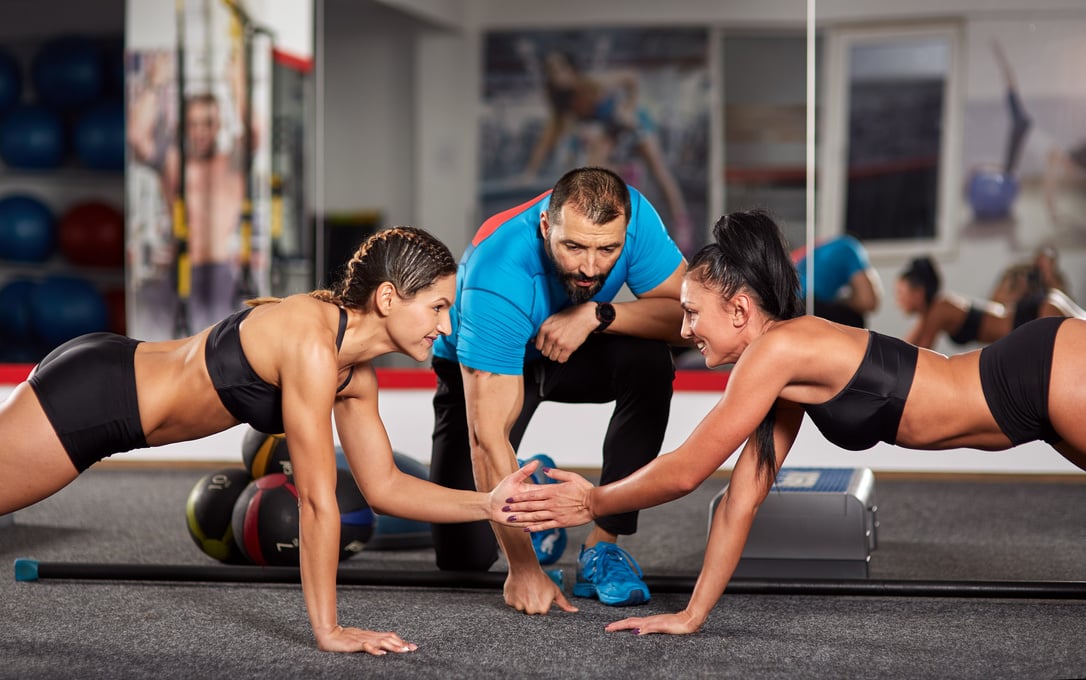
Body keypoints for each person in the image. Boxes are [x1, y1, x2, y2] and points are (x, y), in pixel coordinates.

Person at [503, 208, 1086, 637]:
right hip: (1032, 403)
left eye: (690, 312)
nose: (683, 331)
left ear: (739, 309)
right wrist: (692, 614)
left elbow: (685, 470)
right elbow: (740, 498)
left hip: (1043, 373)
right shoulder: (786, 368)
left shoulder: (780, 350)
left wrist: (595, 502)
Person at [0, 226, 534, 655]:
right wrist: (329, 629)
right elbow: (319, 503)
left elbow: (385, 486)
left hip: (109, 390)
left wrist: (488, 503)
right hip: (93, 398)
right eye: (437, 308)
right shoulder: (313, 346)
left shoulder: (355, 373)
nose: (445, 327)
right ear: (389, 298)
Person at [430, 166, 687, 613]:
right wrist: (524, 567)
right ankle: (538, 486)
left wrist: (598, 314)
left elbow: (690, 320)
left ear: (625, 230)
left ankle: (603, 546)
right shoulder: (498, 274)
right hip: (486, 363)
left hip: (568, 346)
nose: (590, 267)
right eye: (573, 247)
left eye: (607, 249)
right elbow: (485, 439)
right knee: (463, 559)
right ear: (547, 225)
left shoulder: (636, 217)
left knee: (648, 363)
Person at [127, 47, 252, 334]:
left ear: (219, 124)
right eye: (194, 123)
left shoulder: (231, 163)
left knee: (222, 362)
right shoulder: (173, 163)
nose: (201, 131)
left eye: (207, 123)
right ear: (184, 125)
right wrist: (155, 83)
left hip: (221, 275)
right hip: (178, 273)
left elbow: (255, 132)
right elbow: (136, 135)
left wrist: (237, 86)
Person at [519, 50, 695, 253]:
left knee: (658, 169)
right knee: (594, 169)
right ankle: (617, 190)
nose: (556, 75)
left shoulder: (591, 82)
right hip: (609, 134)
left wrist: (629, 107)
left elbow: (631, 78)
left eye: (560, 68)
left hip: (630, 122)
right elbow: (546, 140)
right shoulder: (562, 105)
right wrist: (529, 173)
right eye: (550, 71)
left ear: (571, 69)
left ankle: (682, 223)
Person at [897, 254, 1082, 350]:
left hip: (1029, 315)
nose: (898, 300)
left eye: (900, 292)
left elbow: (912, 357)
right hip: (1032, 315)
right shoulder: (934, 312)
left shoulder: (940, 307)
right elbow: (901, 350)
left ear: (919, 292)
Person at [792, 235, 882, 328]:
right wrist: (845, 300)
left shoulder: (813, 250)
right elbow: (868, 301)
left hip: (787, 310)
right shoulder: (851, 247)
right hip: (808, 307)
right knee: (855, 318)